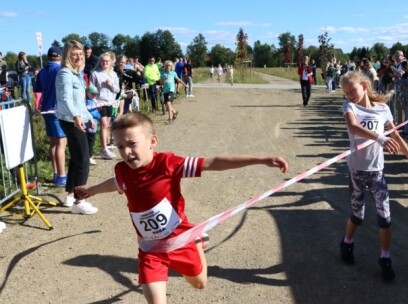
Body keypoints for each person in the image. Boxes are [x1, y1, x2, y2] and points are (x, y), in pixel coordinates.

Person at [74, 112, 288, 303]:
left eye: (132, 144)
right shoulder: (123, 170)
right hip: (151, 250)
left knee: (200, 283)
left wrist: (262, 159)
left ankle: (197, 243)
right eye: (120, 146)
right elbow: (116, 184)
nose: (126, 152)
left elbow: (213, 162)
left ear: (152, 141)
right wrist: (92, 190)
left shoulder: (168, 164)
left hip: (181, 241)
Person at [338, 71, 408, 281]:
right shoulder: (350, 107)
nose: (349, 95)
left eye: (352, 90)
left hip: (377, 172)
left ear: (364, 85)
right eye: (346, 92)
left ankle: (385, 258)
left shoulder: (383, 109)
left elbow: (396, 135)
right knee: (358, 215)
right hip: (357, 171)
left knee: (385, 218)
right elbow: (352, 126)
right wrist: (379, 138)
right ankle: (347, 242)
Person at [55, 40, 97, 214]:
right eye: (74, 54)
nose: (79, 57)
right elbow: (65, 98)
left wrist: (87, 116)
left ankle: (70, 195)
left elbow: (79, 101)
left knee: (76, 158)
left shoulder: (77, 74)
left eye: (80, 54)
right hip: (70, 119)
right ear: (67, 56)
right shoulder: (65, 73)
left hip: (78, 118)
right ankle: (79, 201)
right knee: (83, 159)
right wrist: (76, 116)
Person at [34, 46, 68, 186]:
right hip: (57, 109)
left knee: (53, 143)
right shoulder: (60, 70)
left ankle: (56, 173)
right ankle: (61, 176)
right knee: (61, 143)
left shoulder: (42, 71)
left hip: (46, 109)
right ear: (61, 57)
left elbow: (37, 89)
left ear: (48, 57)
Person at [91, 52, 120, 160]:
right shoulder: (95, 74)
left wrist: (111, 85)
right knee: (103, 125)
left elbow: (117, 90)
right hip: (100, 102)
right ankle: (103, 148)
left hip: (110, 102)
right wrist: (95, 102)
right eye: (102, 61)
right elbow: (91, 90)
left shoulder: (113, 74)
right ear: (100, 62)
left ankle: (105, 147)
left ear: (110, 62)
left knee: (107, 125)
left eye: (107, 61)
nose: (104, 63)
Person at [85, 85, 101, 165]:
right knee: (90, 141)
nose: (94, 95)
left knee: (91, 141)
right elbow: (91, 112)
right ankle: (88, 157)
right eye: (92, 94)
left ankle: (89, 156)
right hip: (89, 125)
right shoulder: (87, 102)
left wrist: (98, 107)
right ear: (87, 93)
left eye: (95, 94)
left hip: (94, 124)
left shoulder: (94, 101)